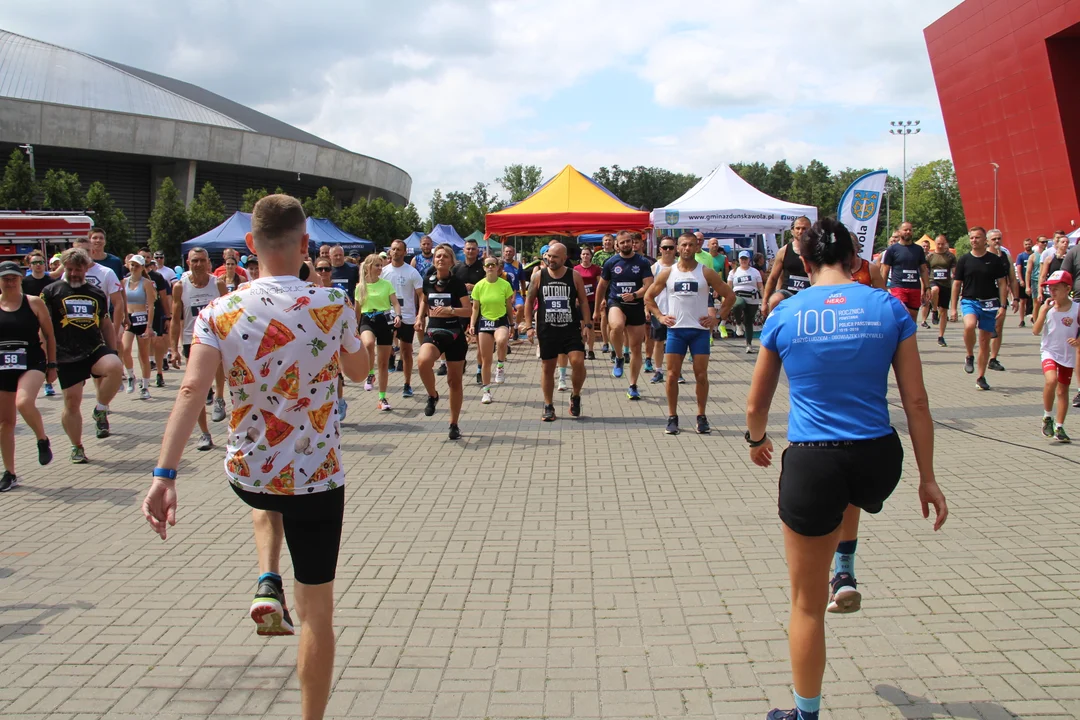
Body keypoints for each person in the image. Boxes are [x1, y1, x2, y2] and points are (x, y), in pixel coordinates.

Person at [142, 194, 367, 720]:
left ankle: (268, 575)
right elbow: (358, 373)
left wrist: (164, 474)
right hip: (317, 478)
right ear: (306, 244)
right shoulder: (332, 305)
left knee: (265, 489)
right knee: (317, 614)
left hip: (251, 470)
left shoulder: (219, 311)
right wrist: (364, 337)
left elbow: (192, 390)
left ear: (250, 245)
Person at [745, 217, 948, 720]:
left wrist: (756, 441)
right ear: (856, 262)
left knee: (805, 606)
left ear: (805, 262)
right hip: (879, 459)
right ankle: (846, 565)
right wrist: (928, 478)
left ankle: (805, 714)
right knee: (849, 484)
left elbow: (755, 407)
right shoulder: (888, 307)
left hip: (814, 461)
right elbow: (916, 402)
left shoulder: (786, 312)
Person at [646, 234, 734, 435]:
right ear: (677, 248)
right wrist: (660, 316)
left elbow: (730, 295)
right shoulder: (668, 273)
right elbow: (649, 296)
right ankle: (672, 417)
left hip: (699, 332)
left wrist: (718, 318)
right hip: (676, 331)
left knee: (701, 375)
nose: (687, 248)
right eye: (683, 245)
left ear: (696, 248)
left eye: (691, 245)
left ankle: (701, 416)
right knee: (671, 375)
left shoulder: (706, 273)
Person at [41, 248, 124, 463]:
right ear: (64, 268)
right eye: (70, 269)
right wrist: (47, 360)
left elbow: (105, 322)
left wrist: (112, 348)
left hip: (93, 347)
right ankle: (76, 446)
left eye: (78, 269)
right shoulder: (51, 291)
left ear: (86, 268)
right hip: (65, 353)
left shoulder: (96, 292)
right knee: (72, 402)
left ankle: (100, 408)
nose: (74, 274)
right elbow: (43, 328)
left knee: (115, 366)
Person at [0, 260, 55, 491]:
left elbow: (50, 336)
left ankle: (42, 438)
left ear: (21, 279)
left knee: (23, 402)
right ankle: (10, 472)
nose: (10, 282)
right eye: (5, 278)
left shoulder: (33, 303)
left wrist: (52, 365)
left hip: (31, 360)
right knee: (5, 423)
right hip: (3, 365)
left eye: (14, 278)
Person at [524, 242, 591, 420]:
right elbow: (529, 301)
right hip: (547, 329)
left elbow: (583, 301)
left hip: (570, 328)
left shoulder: (574, 276)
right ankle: (548, 405)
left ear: (564, 258)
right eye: (548, 256)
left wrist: (588, 325)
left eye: (554, 257)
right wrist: (529, 326)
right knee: (548, 367)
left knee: (578, 362)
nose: (550, 259)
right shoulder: (539, 276)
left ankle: (575, 395)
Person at [172, 247, 228, 449]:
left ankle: (220, 397)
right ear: (188, 263)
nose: (198, 264)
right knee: (195, 389)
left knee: (219, 369)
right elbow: (175, 320)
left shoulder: (217, 284)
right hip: (192, 339)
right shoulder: (180, 287)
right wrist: (174, 348)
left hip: (217, 337)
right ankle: (204, 433)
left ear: (208, 263)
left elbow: (228, 315)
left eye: (202, 260)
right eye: (194, 261)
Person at [415, 244, 472, 439]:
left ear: (451, 261)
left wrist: (451, 310)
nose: (441, 259)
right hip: (434, 331)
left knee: (454, 381)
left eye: (445, 257)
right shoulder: (427, 280)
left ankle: (453, 424)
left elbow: (468, 310)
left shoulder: (457, 283)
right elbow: (424, 300)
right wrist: (419, 317)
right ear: (434, 260)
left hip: (454, 334)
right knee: (423, 361)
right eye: (438, 256)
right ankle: (432, 395)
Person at [593, 231, 653, 398]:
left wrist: (635, 294)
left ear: (632, 243)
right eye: (622, 242)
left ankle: (633, 385)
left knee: (636, 348)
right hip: (616, 302)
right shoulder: (611, 262)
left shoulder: (642, 262)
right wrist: (596, 309)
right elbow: (602, 287)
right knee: (616, 326)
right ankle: (618, 356)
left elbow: (649, 284)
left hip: (636, 305)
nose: (626, 244)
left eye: (628, 241)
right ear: (616, 245)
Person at [950, 227, 1009, 391]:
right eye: (972, 238)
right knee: (969, 325)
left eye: (977, 238)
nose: (974, 240)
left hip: (990, 303)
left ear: (985, 241)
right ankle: (969, 355)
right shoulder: (964, 260)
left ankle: (981, 376)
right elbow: (956, 284)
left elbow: (1003, 283)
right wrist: (953, 308)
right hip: (970, 301)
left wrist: (1003, 306)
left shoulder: (994, 260)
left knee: (984, 342)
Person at [1033, 270, 1079, 443]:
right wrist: (1043, 311)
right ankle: (1047, 416)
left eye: (1056, 289)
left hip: (1067, 354)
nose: (1052, 292)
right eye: (1050, 289)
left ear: (1067, 289)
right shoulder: (1048, 309)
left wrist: (1077, 340)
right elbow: (1035, 331)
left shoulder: (1077, 308)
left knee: (1063, 390)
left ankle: (1059, 426)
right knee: (1051, 381)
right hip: (1049, 351)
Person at [356, 254, 399, 411]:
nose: (380, 268)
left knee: (383, 362)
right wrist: (355, 327)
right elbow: (357, 310)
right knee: (368, 343)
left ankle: (382, 398)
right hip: (367, 320)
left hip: (384, 321)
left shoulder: (386, 284)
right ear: (368, 267)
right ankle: (370, 373)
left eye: (381, 265)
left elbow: (395, 303)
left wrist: (398, 316)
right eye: (377, 265)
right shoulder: (360, 286)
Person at [469, 256, 515, 404]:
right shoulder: (479, 286)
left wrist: (512, 323)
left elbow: (509, 306)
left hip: (500, 320)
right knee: (485, 359)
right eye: (487, 265)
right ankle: (486, 392)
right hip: (484, 322)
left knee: (501, 340)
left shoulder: (505, 285)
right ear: (484, 267)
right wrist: (472, 324)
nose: (490, 267)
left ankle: (500, 366)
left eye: (493, 264)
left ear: (497, 267)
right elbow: (475, 308)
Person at [381, 239, 423, 398]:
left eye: (399, 249)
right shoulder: (384, 271)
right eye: (393, 249)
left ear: (405, 252)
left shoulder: (412, 272)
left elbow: (421, 295)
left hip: (407, 316)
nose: (396, 252)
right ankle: (382, 388)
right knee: (384, 350)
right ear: (389, 252)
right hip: (387, 315)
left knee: (407, 352)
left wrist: (419, 315)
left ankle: (407, 384)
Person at [120, 255, 156, 399]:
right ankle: (130, 376)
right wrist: (123, 316)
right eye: (132, 265)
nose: (134, 268)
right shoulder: (124, 282)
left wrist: (149, 326)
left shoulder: (146, 283)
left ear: (142, 267)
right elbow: (121, 302)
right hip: (129, 319)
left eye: (137, 265)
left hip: (142, 319)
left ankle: (145, 387)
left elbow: (152, 305)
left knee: (143, 355)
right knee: (125, 349)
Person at [763, 216, 813, 317]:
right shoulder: (783, 251)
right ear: (792, 231)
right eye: (798, 228)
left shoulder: (816, 251)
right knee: (774, 300)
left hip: (809, 293)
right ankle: (774, 329)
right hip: (787, 292)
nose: (800, 231)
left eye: (804, 228)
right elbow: (772, 278)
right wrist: (764, 302)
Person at [881, 222, 931, 321]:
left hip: (914, 288)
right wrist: (882, 288)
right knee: (901, 313)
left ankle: (912, 336)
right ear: (899, 232)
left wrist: (927, 287)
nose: (908, 232)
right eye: (905, 230)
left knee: (913, 316)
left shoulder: (918, 249)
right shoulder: (892, 249)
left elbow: (923, 269)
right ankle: (899, 335)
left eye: (910, 230)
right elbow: (885, 270)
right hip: (898, 287)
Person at [454, 238, 486, 385]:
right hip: (462, 309)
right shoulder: (457, 268)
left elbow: (489, 286)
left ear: (478, 251)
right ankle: (462, 363)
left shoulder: (483, 268)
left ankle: (479, 370)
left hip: (479, 309)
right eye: (468, 249)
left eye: (473, 249)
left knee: (480, 342)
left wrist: (474, 287)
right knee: (459, 341)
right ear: (463, 250)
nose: (471, 251)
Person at [986, 229, 1018, 371]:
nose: (997, 241)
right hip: (984, 295)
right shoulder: (983, 256)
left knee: (998, 327)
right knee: (986, 329)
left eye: (999, 238)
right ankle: (982, 353)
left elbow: (1012, 278)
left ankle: (993, 358)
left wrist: (1015, 298)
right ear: (987, 241)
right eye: (994, 239)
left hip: (1000, 297)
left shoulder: (1006, 256)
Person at [647, 238, 677, 382]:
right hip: (659, 310)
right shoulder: (654, 268)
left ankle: (676, 370)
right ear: (660, 249)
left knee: (676, 342)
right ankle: (658, 371)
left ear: (675, 249)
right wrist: (646, 309)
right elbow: (647, 291)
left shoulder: (680, 266)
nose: (668, 251)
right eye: (665, 248)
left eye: (670, 248)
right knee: (658, 342)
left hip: (677, 311)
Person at [728, 250, 764, 353]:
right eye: (742, 259)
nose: (743, 261)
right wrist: (726, 297)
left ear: (749, 260)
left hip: (752, 297)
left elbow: (760, 286)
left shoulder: (754, 271)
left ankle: (749, 344)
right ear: (739, 260)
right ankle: (738, 324)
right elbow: (729, 286)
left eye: (745, 259)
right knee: (737, 305)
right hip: (739, 295)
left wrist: (764, 298)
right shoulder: (734, 272)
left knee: (749, 321)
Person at [924, 235, 957, 347]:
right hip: (933, 281)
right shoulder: (930, 256)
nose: (941, 246)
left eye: (943, 244)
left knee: (944, 311)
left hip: (946, 284)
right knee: (935, 290)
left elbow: (954, 270)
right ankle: (934, 311)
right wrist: (924, 286)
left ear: (945, 244)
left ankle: (941, 336)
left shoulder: (950, 256)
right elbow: (925, 271)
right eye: (938, 244)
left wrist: (955, 275)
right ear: (935, 244)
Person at [573, 245, 602, 359]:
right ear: (580, 256)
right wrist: (575, 298)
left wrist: (601, 299)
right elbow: (573, 284)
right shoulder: (576, 269)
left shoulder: (596, 269)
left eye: (587, 254)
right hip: (579, 300)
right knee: (581, 326)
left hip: (591, 300)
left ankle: (591, 350)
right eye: (583, 254)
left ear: (591, 256)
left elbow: (600, 285)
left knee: (590, 326)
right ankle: (582, 348)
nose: (585, 256)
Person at [1015, 237, 1034, 327]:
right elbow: (1019, 269)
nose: (1028, 246)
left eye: (1029, 244)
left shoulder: (1035, 255)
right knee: (1022, 301)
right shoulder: (1021, 256)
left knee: (1034, 300)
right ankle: (1022, 320)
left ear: (1032, 244)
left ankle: (1034, 316)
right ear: (1023, 245)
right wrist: (1021, 280)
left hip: (1033, 280)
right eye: (1026, 244)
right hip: (1023, 281)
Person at [1025, 236, 1046, 320]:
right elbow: (1028, 272)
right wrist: (1027, 286)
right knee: (1036, 303)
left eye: (1046, 242)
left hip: (1047, 281)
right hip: (1036, 281)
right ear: (1037, 243)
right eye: (1042, 242)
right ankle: (1035, 321)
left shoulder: (1048, 254)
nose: (1044, 243)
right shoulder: (1033, 256)